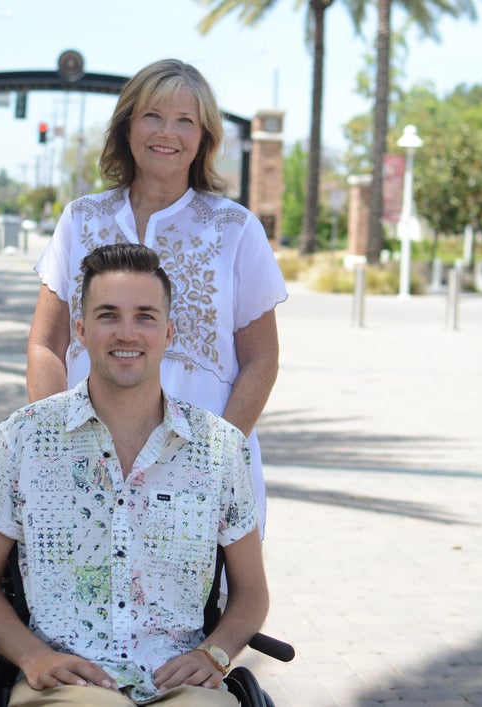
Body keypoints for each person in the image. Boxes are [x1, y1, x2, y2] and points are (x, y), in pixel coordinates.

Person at [0, 244, 269, 706]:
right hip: (68, 680)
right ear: (81, 331)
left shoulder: (221, 449)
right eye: (108, 315)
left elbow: (251, 594)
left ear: (169, 332)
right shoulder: (23, 438)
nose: (127, 333)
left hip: (180, 679)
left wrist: (216, 654)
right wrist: (32, 657)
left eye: (145, 316)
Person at [27, 59, 287, 536]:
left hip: (204, 479)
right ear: (127, 126)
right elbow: (46, 344)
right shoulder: (80, 220)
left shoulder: (236, 230)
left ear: (203, 138)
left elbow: (262, 359)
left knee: (207, 610)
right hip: (86, 471)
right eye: (153, 116)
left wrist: (214, 461)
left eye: (185, 120)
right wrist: (58, 447)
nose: (168, 132)